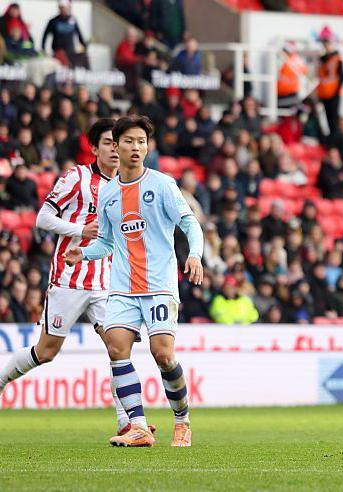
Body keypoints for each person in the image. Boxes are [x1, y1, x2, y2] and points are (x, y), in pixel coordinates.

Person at [64, 116, 204, 448]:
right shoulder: (109, 193)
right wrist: (82, 254)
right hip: (123, 287)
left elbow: (191, 224)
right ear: (117, 145)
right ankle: (138, 426)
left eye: (142, 141)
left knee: (163, 355)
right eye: (129, 141)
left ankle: (182, 421)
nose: (136, 147)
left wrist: (195, 254)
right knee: (116, 347)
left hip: (158, 285)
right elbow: (108, 243)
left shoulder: (163, 184)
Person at [0, 119, 135, 436]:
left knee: (119, 349)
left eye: (118, 143)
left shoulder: (127, 186)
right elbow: (43, 218)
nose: (115, 149)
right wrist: (80, 231)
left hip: (104, 284)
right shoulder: (77, 177)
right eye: (107, 143)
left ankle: (127, 423)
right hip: (69, 281)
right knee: (45, 353)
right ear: (94, 147)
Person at [41, 0, 87, 67]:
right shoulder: (53, 21)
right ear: (59, 8)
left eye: (65, 7)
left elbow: (79, 35)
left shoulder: (73, 20)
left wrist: (85, 46)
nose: (64, 9)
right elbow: (45, 35)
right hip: (58, 52)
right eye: (62, 7)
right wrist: (43, 48)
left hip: (71, 53)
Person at [316, 30, 343, 139]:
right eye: (324, 43)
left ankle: (334, 139)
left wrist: (336, 92)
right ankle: (329, 139)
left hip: (333, 94)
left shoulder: (337, 58)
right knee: (326, 119)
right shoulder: (323, 59)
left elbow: (342, 77)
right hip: (324, 94)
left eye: (327, 43)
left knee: (333, 119)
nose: (325, 46)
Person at [277, 41, 308, 108]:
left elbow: (305, 73)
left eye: (286, 51)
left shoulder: (294, 60)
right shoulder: (284, 60)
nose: (284, 52)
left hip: (290, 95)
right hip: (282, 95)